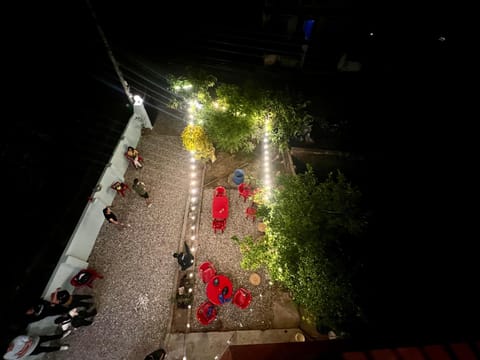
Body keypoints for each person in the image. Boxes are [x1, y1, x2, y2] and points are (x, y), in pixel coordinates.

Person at [3, 330, 71, 359]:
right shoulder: (6, 356)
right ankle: (60, 348)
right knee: (47, 349)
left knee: (49, 337)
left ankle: (61, 336)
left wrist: (24, 349)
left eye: (9, 348)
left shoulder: (17, 339)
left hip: (36, 340)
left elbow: (31, 340)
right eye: (8, 350)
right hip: (32, 351)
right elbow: (19, 357)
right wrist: (26, 346)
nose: (10, 350)